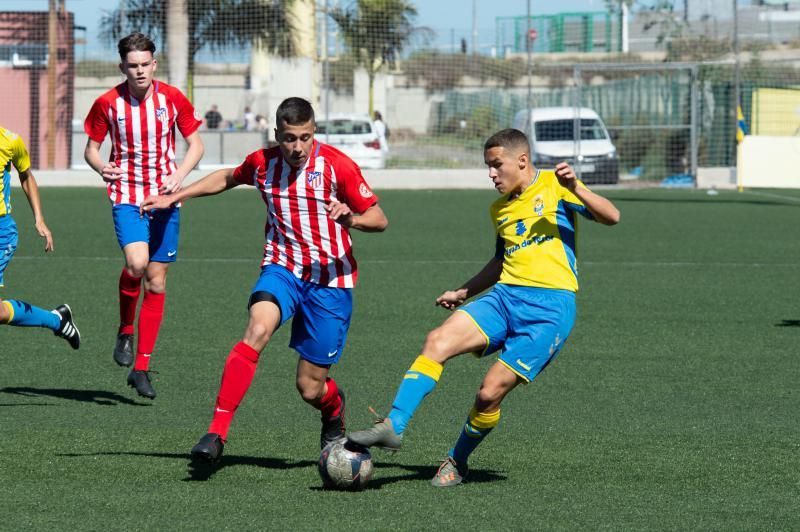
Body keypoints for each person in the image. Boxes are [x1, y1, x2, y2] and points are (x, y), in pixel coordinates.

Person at [347, 128, 620, 487]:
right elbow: (500, 260)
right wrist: (464, 290)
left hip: (549, 311)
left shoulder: (557, 185)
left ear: (522, 161)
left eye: (496, 165)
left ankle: (457, 461)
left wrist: (577, 189)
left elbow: (611, 216)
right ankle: (393, 426)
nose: (491, 174)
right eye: (487, 167)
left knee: (488, 393)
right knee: (438, 341)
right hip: (505, 297)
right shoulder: (500, 208)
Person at [141, 97, 388, 463]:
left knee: (309, 387)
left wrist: (350, 219)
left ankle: (333, 409)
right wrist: (176, 196)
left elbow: (379, 219)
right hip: (282, 268)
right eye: (289, 138)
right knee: (257, 328)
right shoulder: (262, 163)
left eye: (304, 137)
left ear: (313, 132)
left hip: (330, 283)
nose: (298, 147)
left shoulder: (338, 166)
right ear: (277, 135)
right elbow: (228, 176)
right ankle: (216, 433)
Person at [83, 32, 204, 399]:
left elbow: (196, 144)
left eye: (144, 64)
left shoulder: (172, 99)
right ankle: (125, 329)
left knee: (156, 281)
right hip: (127, 194)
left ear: (154, 63)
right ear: (123, 67)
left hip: (166, 195)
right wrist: (102, 167)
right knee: (136, 264)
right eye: (131, 66)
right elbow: (91, 149)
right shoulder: (107, 103)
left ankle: (142, 368)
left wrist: (179, 176)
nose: (139, 71)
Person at [0, 126, 80, 348]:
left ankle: (56, 320)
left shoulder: (9, 140)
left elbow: (25, 175)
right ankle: (58, 320)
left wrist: (39, 219)